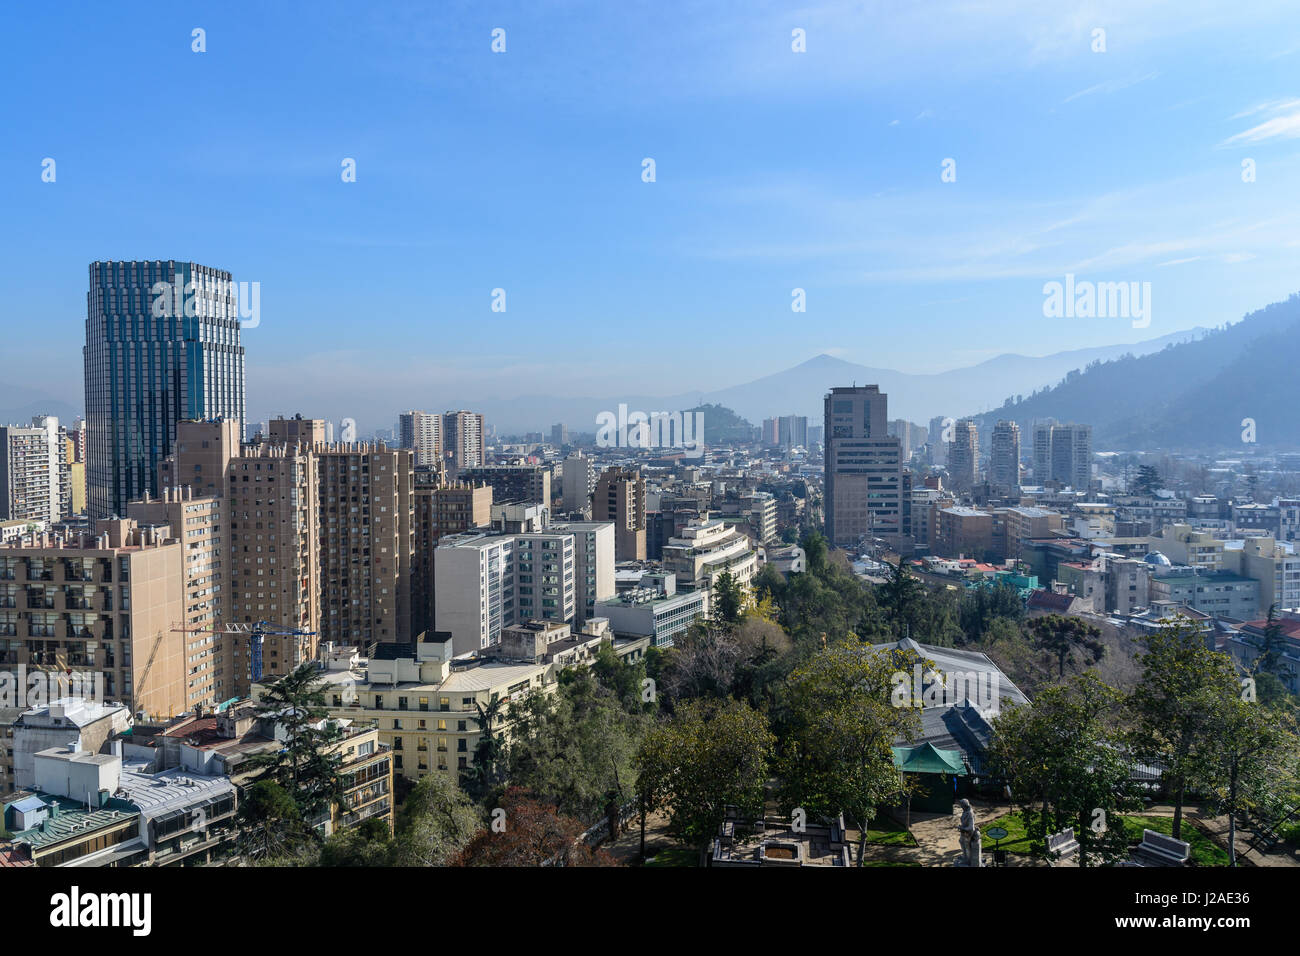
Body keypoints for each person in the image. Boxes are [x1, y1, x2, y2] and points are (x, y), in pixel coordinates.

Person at [957, 798, 975, 864]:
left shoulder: (970, 814)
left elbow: (971, 827)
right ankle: (965, 856)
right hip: (964, 832)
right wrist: (961, 827)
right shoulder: (965, 811)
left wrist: (963, 828)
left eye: (962, 805)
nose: (961, 807)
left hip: (968, 833)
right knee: (961, 841)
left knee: (967, 846)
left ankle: (968, 860)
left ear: (964, 805)